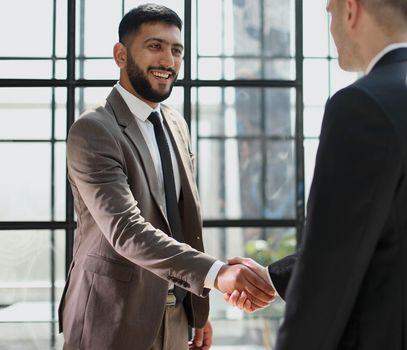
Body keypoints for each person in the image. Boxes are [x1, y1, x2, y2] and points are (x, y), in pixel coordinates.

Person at [226, 0, 407, 348]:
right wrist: (273, 278)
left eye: (329, 12)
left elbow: (329, 268)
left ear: (350, 10)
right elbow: (390, 244)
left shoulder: (360, 106)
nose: (330, 27)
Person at [58, 4, 274, 350]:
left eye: (177, 50)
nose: (168, 61)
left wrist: (198, 310)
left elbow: (182, 222)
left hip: (175, 317)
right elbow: (126, 230)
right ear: (121, 54)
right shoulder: (94, 130)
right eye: (155, 46)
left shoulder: (175, 124)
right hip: (111, 317)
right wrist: (218, 274)